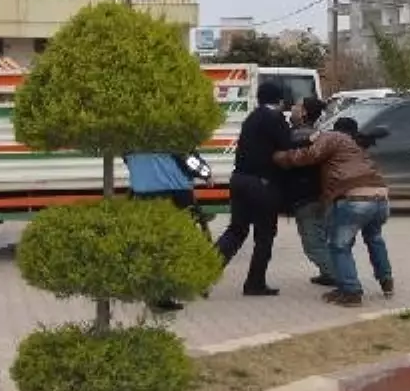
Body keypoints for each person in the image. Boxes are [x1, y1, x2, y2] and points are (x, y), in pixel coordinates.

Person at [273, 116, 393, 307]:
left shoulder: (332, 137)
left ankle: (351, 291)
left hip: (354, 197)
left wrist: (281, 157)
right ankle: (386, 281)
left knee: (339, 246)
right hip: (380, 196)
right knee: (374, 238)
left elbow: (309, 156)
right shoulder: (356, 147)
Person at [214, 81, 293, 296]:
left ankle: (203, 275)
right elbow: (288, 147)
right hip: (262, 184)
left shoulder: (251, 118)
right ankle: (255, 282)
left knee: (236, 230)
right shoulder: (275, 118)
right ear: (279, 99)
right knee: (265, 234)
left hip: (239, 179)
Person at [123, 150, 211, 312]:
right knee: (190, 238)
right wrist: (206, 173)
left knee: (153, 244)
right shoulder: (171, 135)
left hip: (143, 194)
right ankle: (199, 281)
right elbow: (189, 158)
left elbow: (126, 159)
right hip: (176, 193)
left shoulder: (132, 139)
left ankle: (158, 295)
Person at [285, 97, 335, 286]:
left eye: (296, 106)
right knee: (319, 237)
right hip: (316, 195)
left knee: (313, 244)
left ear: (304, 112)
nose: (292, 108)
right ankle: (328, 272)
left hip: (307, 197)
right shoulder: (314, 133)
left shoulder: (303, 135)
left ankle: (341, 277)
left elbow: (290, 146)